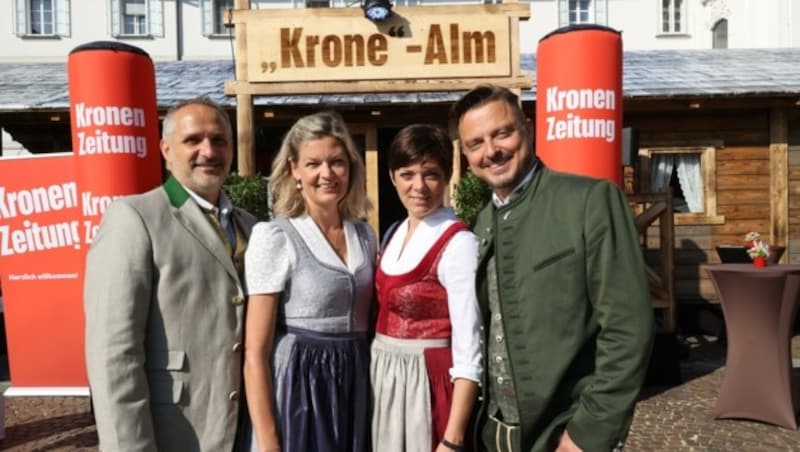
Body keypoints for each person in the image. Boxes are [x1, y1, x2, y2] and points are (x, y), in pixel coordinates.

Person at [449, 84, 654, 452]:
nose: (491, 151)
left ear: (527, 128)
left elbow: (629, 329)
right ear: (465, 155)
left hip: (561, 435)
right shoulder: (481, 223)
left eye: (502, 133)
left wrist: (587, 434)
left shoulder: (589, 200)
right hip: (492, 434)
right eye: (475, 143)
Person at [84, 97, 257, 451]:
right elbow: (113, 352)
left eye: (219, 140)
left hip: (243, 430)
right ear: (166, 149)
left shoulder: (251, 226)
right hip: (174, 432)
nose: (208, 151)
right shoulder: (135, 218)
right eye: (193, 140)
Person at [244, 111, 376, 452]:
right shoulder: (275, 236)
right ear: (294, 170)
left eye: (337, 162)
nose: (326, 174)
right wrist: (269, 442)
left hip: (356, 382)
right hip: (301, 386)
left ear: (350, 167)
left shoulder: (364, 234)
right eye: (313, 163)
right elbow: (255, 353)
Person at [371, 124, 482, 452]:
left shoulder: (459, 244)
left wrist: (453, 437)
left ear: (447, 176)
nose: (418, 186)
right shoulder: (393, 233)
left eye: (430, 174)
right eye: (407, 174)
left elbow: (469, 346)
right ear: (392, 178)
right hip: (385, 381)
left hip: (427, 386)